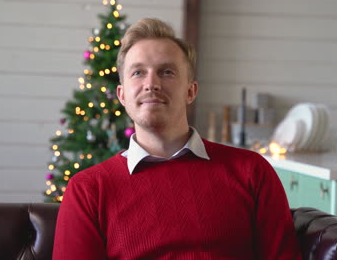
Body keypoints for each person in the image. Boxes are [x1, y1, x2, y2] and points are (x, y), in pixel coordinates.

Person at [53, 18, 302, 260]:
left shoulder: (252, 172)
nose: (151, 84)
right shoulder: (87, 190)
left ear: (190, 91)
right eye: (138, 72)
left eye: (167, 72)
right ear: (122, 95)